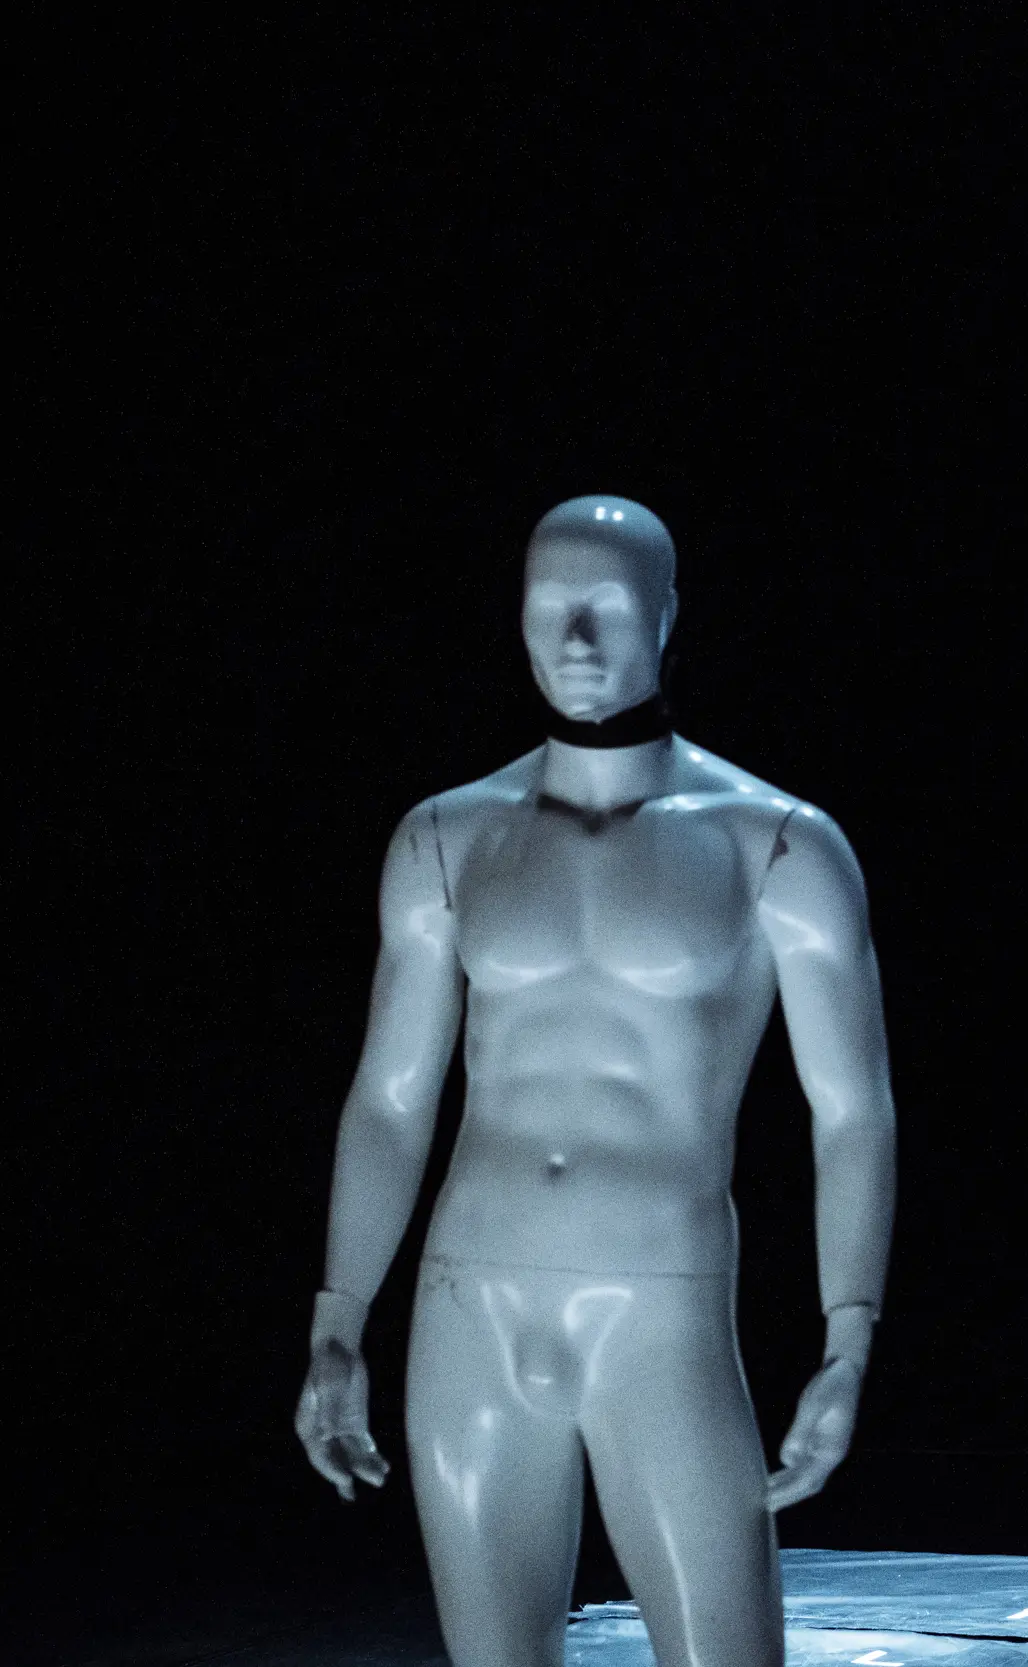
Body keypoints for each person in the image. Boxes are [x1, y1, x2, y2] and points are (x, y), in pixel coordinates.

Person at [294, 495, 898, 1667]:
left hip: (658, 1306)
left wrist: (848, 1337)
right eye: (548, 607)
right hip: (469, 1300)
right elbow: (389, 1096)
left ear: (666, 617)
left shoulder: (773, 842)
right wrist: (337, 1318)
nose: (576, 637)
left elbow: (851, 1111)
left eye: (608, 607)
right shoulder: (447, 837)